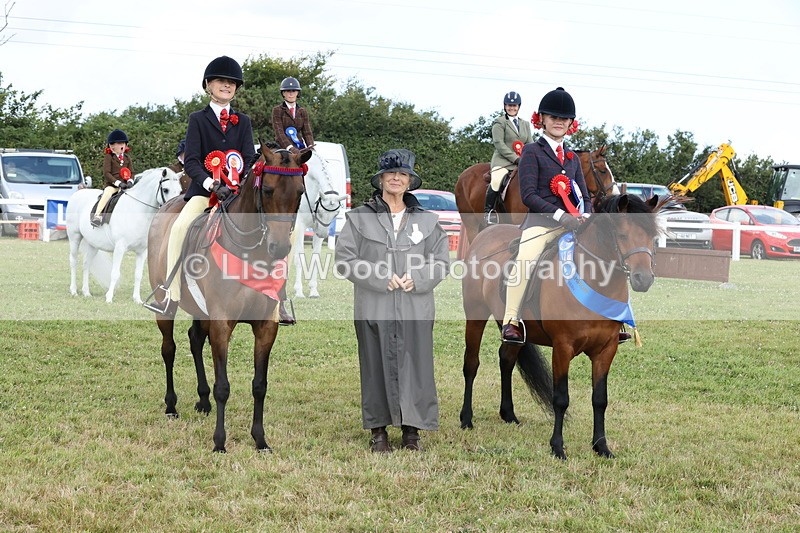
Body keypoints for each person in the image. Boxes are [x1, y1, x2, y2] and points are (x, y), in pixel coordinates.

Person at [335, 149, 450, 453]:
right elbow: (345, 259)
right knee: (375, 363)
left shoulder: (427, 221)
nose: (397, 178)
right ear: (381, 179)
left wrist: (420, 277)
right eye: (391, 173)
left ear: (410, 180)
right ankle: (378, 432)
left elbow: (441, 261)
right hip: (374, 305)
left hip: (416, 305)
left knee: (417, 365)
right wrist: (378, 276)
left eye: (403, 174)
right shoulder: (359, 218)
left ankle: (412, 432)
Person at [144, 55, 257, 317]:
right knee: (180, 228)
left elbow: (249, 160)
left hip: (237, 194)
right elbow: (192, 160)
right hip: (204, 193)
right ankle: (169, 294)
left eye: (232, 83)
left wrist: (237, 183)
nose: (227, 86)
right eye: (221, 81)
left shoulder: (244, 122)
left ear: (236, 88)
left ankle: (277, 298)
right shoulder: (198, 119)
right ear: (208, 85)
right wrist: (212, 184)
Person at [500, 87, 592, 344]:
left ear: (571, 123)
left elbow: (584, 196)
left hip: (574, 225)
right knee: (525, 259)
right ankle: (512, 321)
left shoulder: (572, 158)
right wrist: (561, 215)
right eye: (553, 117)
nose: (558, 122)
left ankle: (607, 319)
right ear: (542, 119)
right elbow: (528, 194)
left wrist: (587, 216)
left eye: (564, 118)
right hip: (541, 225)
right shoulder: (531, 152)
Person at [486, 91, 534, 224]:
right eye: (509, 105)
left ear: (519, 106)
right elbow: (499, 144)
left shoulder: (525, 124)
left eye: (514, 105)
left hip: (521, 162)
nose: (511, 108)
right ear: (504, 106)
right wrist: (515, 158)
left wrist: (531, 158)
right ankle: (489, 212)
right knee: (496, 180)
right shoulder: (499, 122)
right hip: (503, 162)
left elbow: (530, 143)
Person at [92, 129, 134, 227]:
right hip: (113, 185)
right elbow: (107, 173)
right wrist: (118, 183)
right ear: (112, 146)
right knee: (107, 193)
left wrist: (131, 181)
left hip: (126, 185)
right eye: (119, 143)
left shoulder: (127, 158)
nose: (122, 145)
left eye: (123, 143)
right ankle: (97, 215)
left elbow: (132, 172)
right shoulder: (109, 157)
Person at [271, 77, 315, 152]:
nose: (291, 94)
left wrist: (311, 147)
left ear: (297, 93)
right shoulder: (277, 110)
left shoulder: (303, 111)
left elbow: (307, 133)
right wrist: (290, 148)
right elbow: (279, 133)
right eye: (288, 91)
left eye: (293, 91)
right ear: (283, 93)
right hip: (282, 147)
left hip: (300, 147)